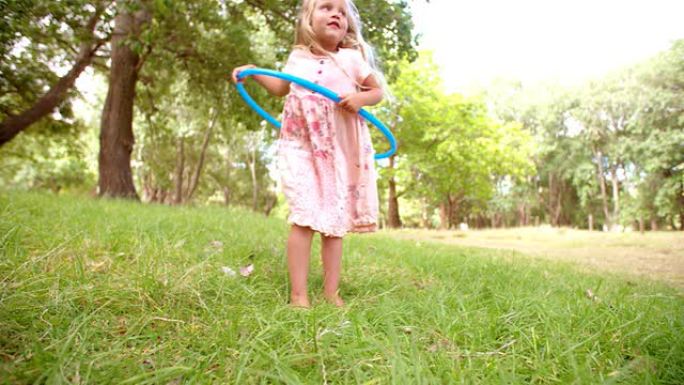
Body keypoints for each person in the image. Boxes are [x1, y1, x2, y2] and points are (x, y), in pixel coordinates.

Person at [231, 0, 387, 308]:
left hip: (337, 151)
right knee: (303, 217)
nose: (335, 15)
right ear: (308, 19)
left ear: (346, 25)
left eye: (341, 12)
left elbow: (377, 91)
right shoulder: (297, 57)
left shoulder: (352, 59)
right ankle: (298, 295)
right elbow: (280, 88)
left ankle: (331, 293)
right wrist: (252, 72)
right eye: (326, 8)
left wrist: (359, 98)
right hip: (301, 146)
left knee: (333, 224)